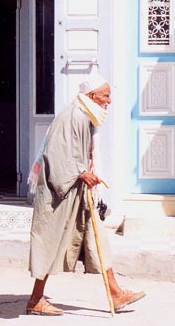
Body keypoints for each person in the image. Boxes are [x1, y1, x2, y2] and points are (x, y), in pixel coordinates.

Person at [26, 72, 145, 316]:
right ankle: (36, 300)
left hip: (79, 190)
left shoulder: (85, 114)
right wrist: (81, 172)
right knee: (51, 243)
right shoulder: (74, 115)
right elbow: (57, 153)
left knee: (98, 237)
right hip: (60, 193)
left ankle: (115, 292)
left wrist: (84, 174)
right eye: (106, 95)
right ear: (92, 95)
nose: (109, 101)